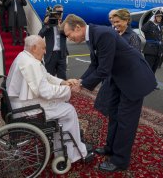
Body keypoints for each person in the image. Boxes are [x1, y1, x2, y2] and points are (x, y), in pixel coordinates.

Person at [60, 14, 156, 172]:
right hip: (121, 78)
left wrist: (82, 85)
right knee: (114, 114)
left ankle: (120, 160)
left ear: (78, 27)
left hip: (134, 79)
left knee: (126, 121)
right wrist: (80, 80)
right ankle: (110, 148)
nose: (69, 39)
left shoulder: (103, 34)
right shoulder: (93, 35)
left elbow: (103, 69)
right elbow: (95, 64)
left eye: (69, 34)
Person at [6, 35, 94, 164]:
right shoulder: (31, 63)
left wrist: (63, 82)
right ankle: (71, 153)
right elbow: (45, 92)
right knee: (69, 110)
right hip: (28, 109)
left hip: (20, 103)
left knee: (61, 105)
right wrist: (68, 90)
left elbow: (45, 76)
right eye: (43, 48)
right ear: (34, 48)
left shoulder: (24, 56)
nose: (45, 51)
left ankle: (64, 147)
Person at [38, 4, 68, 79]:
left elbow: (67, 35)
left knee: (62, 77)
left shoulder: (64, 23)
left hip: (61, 54)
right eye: (58, 12)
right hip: (51, 55)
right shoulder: (48, 23)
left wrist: (59, 26)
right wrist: (47, 24)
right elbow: (40, 35)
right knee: (50, 77)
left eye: (62, 11)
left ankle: (62, 91)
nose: (60, 13)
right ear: (54, 12)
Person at [141, 10, 163, 74]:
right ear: (154, 17)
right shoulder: (149, 25)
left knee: (154, 69)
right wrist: (150, 21)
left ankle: (151, 82)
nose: (160, 18)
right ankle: (146, 82)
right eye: (158, 17)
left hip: (158, 51)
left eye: (160, 17)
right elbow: (143, 29)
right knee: (148, 69)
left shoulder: (159, 26)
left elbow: (159, 38)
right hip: (150, 51)